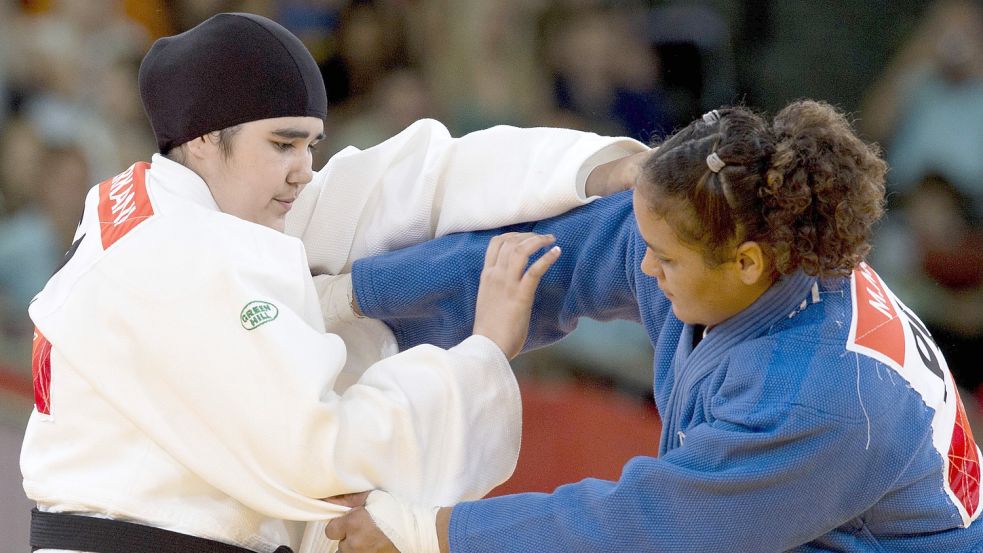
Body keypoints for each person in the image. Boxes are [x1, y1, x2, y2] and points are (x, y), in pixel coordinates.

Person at [20, 12, 650, 553]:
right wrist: (483, 352)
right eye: (283, 145)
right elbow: (319, 450)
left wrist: (594, 168)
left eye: (311, 146)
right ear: (207, 137)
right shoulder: (189, 256)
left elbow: (399, 182)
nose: (302, 172)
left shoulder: (161, 200)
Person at [328, 101, 983, 552]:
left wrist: (425, 530)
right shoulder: (711, 226)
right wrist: (349, 299)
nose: (643, 266)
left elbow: (637, 526)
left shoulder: (818, 398)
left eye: (662, 257)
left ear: (747, 262)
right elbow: (550, 253)